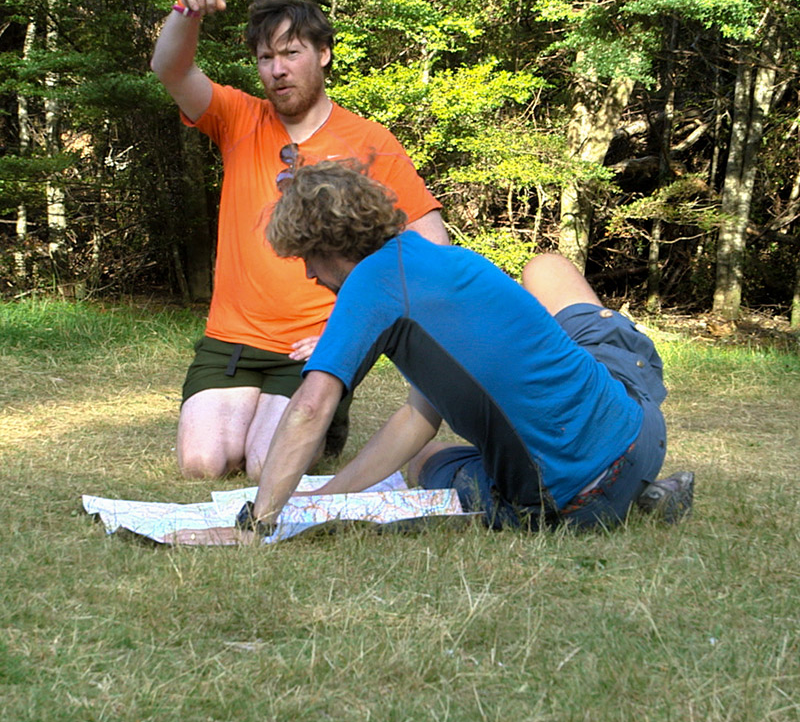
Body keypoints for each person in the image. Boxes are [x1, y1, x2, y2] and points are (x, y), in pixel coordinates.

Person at [171, 161, 693, 546]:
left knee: (429, 464)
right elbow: (417, 418)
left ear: (330, 245)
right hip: (640, 439)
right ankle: (641, 493)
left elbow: (310, 407)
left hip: (570, 503)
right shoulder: (437, 260)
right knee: (550, 272)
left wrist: (259, 523)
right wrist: (323, 498)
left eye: (308, 257)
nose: (308, 273)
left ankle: (618, 487)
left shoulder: (370, 282)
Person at [150, 0, 447, 481]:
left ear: (323, 54)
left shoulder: (369, 140)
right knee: (203, 464)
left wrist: (358, 329)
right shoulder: (237, 118)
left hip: (315, 341)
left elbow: (430, 243)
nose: (277, 69)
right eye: (266, 57)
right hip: (233, 338)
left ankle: (327, 416)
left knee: (265, 466)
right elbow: (170, 68)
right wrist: (187, 8)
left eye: (291, 53)